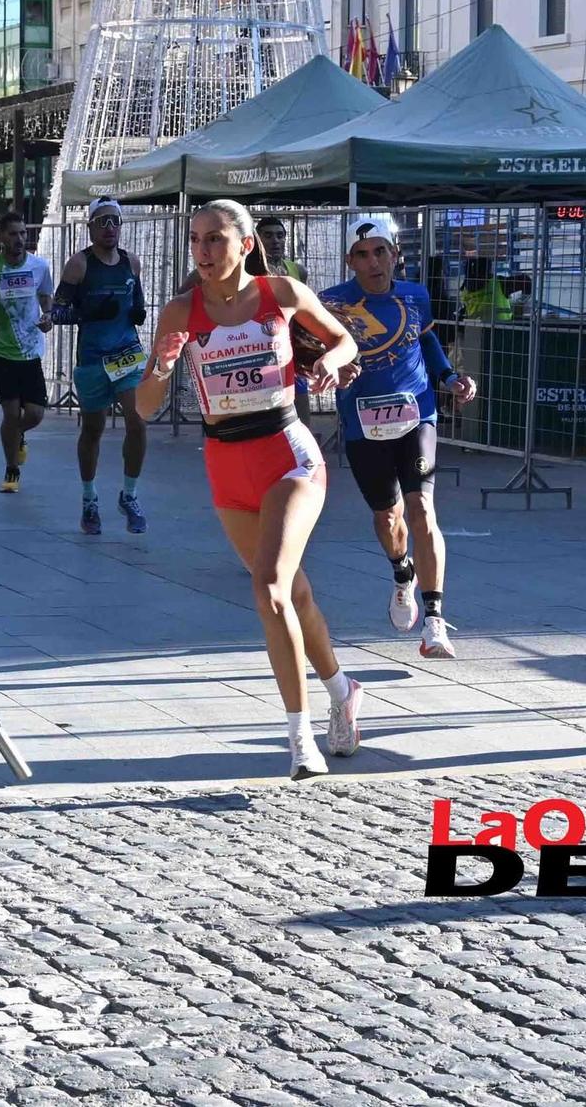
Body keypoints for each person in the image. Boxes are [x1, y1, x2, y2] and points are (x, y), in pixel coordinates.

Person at [137, 199, 365, 780]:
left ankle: (299, 738)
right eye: (196, 240)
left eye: (215, 239)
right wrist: (162, 367)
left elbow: (344, 342)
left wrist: (332, 363)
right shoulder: (180, 311)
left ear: (245, 243)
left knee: (269, 589)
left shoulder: (280, 294)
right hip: (225, 463)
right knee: (295, 595)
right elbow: (143, 406)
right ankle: (343, 691)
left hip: (288, 452)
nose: (205, 251)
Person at [321, 214, 476, 658]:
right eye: (363, 255)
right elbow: (313, 352)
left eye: (381, 252)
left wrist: (449, 378)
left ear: (395, 254)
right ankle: (401, 572)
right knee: (388, 518)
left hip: (417, 414)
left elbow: (426, 343)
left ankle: (434, 620)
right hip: (363, 423)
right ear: (351, 261)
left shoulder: (415, 296)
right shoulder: (331, 304)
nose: (374, 263)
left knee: (421, 507)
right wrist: (334, 367)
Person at [51, 199, 151, 535]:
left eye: (115, 221)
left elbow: (137, 302)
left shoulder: (131, 262)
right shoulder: (79, 264)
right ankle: (89, 499)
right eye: (102, 221)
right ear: (90, 227)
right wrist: (88, 313)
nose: (110, 227)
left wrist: (138, 312)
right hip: (93, 358)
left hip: (127, 354)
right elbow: (58, 311)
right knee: (93, 429)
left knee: (137, 421)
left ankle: (130, 494)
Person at [0, 211, 54, 493]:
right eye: (13, 234)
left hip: (29, 349)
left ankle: (18, 437)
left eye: (23, 233)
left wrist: (48, 316)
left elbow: (46, 297)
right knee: (11, 412)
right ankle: (12, 469)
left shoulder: (39, 267)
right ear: (2, 236)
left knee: (35, 414)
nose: (19, 239)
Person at [257, 215, 311, 424]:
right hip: (258, 349)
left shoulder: (298, 271)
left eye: (280, 236)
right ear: (257, 240)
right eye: (268, 236)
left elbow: (307, 310)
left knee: (300, 399)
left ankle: (306, 446)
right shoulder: (246, 271)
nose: (275, 241)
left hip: (290, 348)